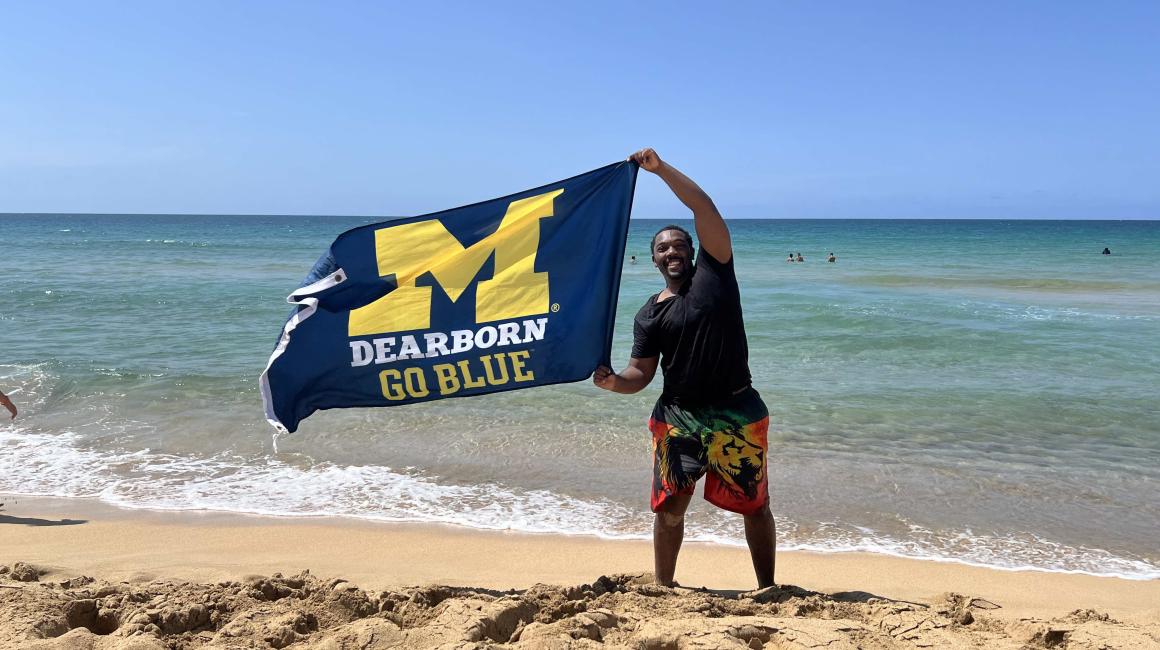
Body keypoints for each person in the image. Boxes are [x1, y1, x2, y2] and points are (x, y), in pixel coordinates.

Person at [594, 148, 775, 589]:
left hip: (736, 411)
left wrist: (660, 171)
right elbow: (641, 374)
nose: (671, 250)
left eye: (678, 244)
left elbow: (703, 207)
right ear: (654, 259)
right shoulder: (648, 314)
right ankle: (664, 587)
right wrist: (614, 382)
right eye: (662, 247)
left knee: (754, 505)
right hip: (678, 417)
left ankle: (768, 587)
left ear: (694, 251)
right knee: (669, 509)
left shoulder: (714, 275)